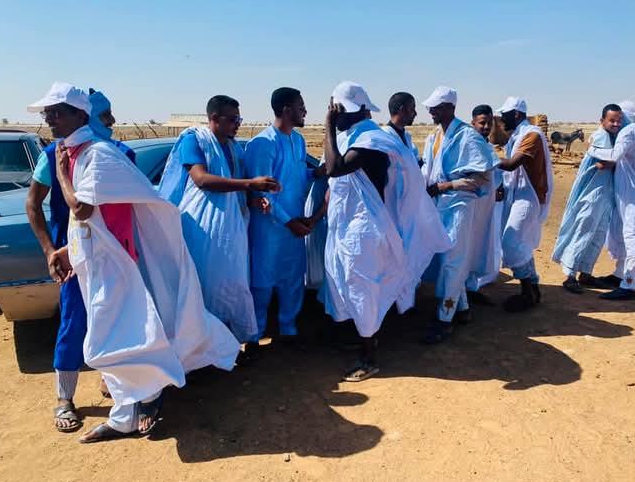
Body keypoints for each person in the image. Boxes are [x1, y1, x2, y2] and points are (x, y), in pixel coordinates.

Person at [28, 82, 240, 443]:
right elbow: (89, 224)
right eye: (47, 113)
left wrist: (63, 175)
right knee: (114, 340)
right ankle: (125, 415)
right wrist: (63, 251)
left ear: (81, 115)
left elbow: (82, 209)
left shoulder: (99, 154)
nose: (49, 119)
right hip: (93, 264)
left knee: (109, 343)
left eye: (56, 112)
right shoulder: (71, 152)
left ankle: (149, 394)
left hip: (116, 267)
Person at [322, 81, 451, 380]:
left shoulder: (371, 141)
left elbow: (334, 168)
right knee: (351, 286)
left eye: (338, 110)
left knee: (363, 290)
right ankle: (363, 337)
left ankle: (368, 357)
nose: (335, 115)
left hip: (364, 229)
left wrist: (327, 124)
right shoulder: (356, 137)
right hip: (350, 226)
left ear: (356, 110)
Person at [25, 84, 135, 433]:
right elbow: (33, 204)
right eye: (106, 115)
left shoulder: (119, 154)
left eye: (56, 113)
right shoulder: (54, 155)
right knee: (74, 322)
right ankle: (64, 397)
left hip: (114, 256)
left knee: (117, 321)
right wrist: (49, 250)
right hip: (74, 254)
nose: (112, 121)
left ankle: (114, 382)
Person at [158, 95, 279, 346]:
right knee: (204, 288)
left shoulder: (234, 148)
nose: (237, 125)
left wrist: (254, 199)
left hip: (231, 231)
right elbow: (201, 179)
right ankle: (201, 349)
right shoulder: (194, 140)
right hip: (202, 231)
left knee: (232, 286)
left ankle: (227, 346)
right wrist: (250, 184)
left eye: (239, 119)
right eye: (233, 119)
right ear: (214, 118)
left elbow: (235, 187)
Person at [244, 88, 324, 346]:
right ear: (287, 110)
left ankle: (288, 330)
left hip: (294, 224)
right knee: (262, 283)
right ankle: (254, 337)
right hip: (269, 227)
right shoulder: (263, 144)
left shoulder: (298, 140)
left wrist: (316, 174)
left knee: (292, 280)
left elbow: (295, 177)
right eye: (301, 106)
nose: (305, 111)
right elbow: (262, 191)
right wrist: (289, 222)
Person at [419, 88, 496, 343]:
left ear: (450, 108)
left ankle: (445, 318)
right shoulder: (435, 136)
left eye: (436, 107)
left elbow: (483, 178)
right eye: (431, 107)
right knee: (449, 259)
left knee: (453, 261)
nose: (431, 111)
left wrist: (447, 186)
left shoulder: (468, 137)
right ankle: (462, 309)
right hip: (439, 206)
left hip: (459, 206)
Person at [590, 101, 635, 300]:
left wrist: (592, 149)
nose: (616, 123)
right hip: (632, 194)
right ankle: (620, 274)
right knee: (624, 235)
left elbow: (615, 155)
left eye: (619, 118)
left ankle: (629, 284)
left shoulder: (629, 132)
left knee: (632, 237)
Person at [552, 104, 623, 293]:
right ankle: (570, 275)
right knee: (583, 230)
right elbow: (604, 163)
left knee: (598, 234)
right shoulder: (600, 137)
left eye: (619, 121)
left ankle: (585, 273)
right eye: (612, 120)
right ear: (602, 121)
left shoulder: (613, 137)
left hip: (605, 195)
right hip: (592, 194)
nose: (616, 124)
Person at [496, 97, 554, 312]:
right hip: (519, 193)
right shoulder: (517, 136)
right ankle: (532, 289)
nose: (501, 120)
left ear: (516, 114)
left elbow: (512, 164)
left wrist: (481, 159)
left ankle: (527, 292)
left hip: (530, 197)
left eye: (504, 115)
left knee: (511, 243)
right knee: (521, 243)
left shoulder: (531, 135)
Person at [465, 104, 504, 301]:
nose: (486, 127)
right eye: (482, 123)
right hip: (472, 204)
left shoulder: (486, 146)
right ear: (473, 123)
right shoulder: (469, 145)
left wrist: (498, 187)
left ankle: (472, 287)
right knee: (468, 247)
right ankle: (463, 291)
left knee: (480, 246)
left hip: (487, 205)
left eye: (489, 123)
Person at [383, 92, 420, 160]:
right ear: (402, 110)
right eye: (412, 109)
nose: (415, 113)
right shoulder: (384, 136)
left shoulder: (406, 136)